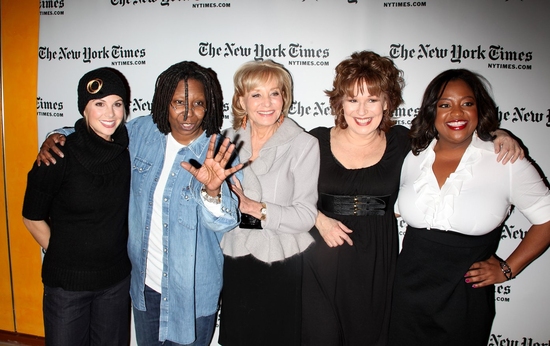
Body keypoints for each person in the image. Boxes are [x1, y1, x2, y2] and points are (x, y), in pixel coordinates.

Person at [301, 52, 525, 346]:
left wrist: (497, 133)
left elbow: (455, 130)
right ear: (339, 103)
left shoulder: (405, 143)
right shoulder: (313, 140)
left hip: (377, 267)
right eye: (353, 99)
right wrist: (318, 218)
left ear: (387, 102)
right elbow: (281, 190)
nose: (362, 109)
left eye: (372, 99)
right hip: (319, 262)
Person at [36, 61, 242, 346]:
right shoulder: (143, 134)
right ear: (163, 103)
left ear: (210, 106)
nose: (187, 113)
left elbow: (224, 222)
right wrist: (57, 137)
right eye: (178, 102)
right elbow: (99, 133)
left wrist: (213, 190)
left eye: (198, 103)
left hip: (191, 294)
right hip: (145, 289)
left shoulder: (219, 153)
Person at [388, 69, 550, 346]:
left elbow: (546, 218)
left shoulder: (506, 161)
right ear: (432, 112)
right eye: (444, 104)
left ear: (479, 109)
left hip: (464, 302)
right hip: (403, 297)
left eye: (467, 103)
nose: (456, 113)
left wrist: (508, 268)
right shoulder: (412, 156)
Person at [23, 67, 132, 346]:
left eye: (117, 104)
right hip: (67, 289)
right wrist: (65, 258)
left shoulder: (126, 152)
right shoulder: (57, 154)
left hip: (115, 284)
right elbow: (32, 218)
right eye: (99, 103)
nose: (110, 113)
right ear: (84, 108)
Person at [218, 60, 320, 346]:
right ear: (241, 100)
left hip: (281, 261)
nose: (267, 103)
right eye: (256, 94)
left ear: (284, 98)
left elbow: (305, 216)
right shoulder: (226, 140)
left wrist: (254, 208)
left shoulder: (304, 144)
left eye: (274, 93)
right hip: (237, 257)